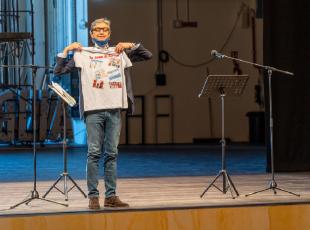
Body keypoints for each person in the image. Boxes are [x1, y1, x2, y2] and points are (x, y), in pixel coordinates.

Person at [54, 18, 152, 209]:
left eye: (105, 29)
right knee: (93, 153)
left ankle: (111, 196)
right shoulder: (83, 54)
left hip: (115, 108)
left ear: (109, 33)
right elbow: (57, 72)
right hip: (93, 109)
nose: (101, 32)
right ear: (91, 34)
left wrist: (129, 44)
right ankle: (93, 196)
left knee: (112, 154)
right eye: (97, 30)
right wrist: (67, 50)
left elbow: (147, 55)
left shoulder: (119, 52)